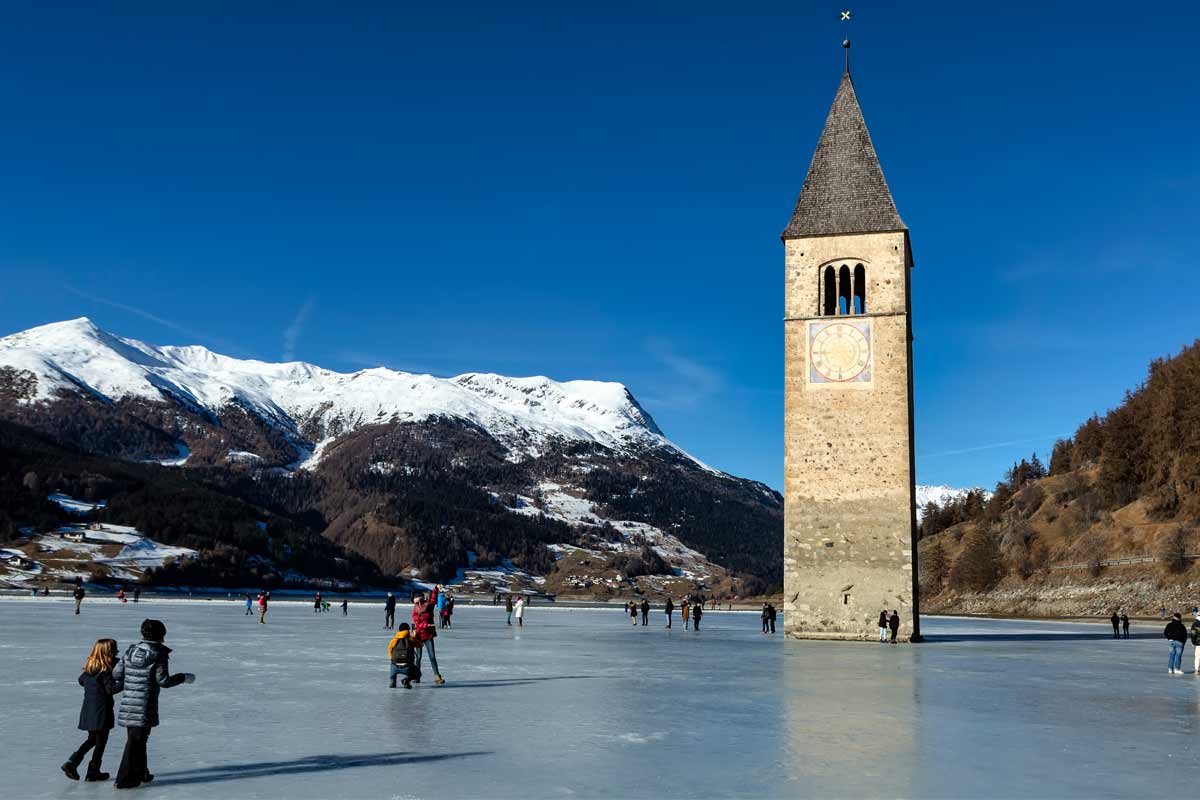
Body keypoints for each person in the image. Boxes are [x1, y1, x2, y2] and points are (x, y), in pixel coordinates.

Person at [113, 619, 194, 789]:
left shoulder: (130, 650)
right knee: (136, 741)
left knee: (138, 739)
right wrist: (183, 677)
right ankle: (124, 779)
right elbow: (163, 680)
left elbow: (117, 673)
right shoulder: (158, 653)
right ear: (161, 634)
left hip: (129, 702)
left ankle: (142, 772)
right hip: (144, 703)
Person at [62, 638, 120, 782]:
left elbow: (81, 680)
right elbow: (111, 689)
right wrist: (126, 682)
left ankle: (80, 766)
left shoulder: (90, 669)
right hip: (101, 710)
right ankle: (84, 768)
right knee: (100, 741)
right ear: (109, 653)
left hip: (89, 709)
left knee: (93, 739)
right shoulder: (105, 670)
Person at [412, 592, 446, 684]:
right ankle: (417, 676)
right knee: (418, 657)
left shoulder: (429, 606)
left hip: (428, 635)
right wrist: (425, 625)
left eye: (419, 597)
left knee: (432, 656)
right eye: (416, 599)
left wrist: (435, 589)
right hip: (419, 635)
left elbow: (433, 600)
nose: (418, 601)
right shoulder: (415, 609)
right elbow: (416, 623)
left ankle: (437, 676)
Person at [388, 623, 419, 688]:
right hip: (407, 667)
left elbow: (390, 650)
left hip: (395, 666)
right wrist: (414, 636)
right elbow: (420, 645)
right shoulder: (410, 640)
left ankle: (392, 681)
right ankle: (406, 680)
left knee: (392, 662)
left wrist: (392, 658)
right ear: (408, 630)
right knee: (418, 673)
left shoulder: (394, 640)